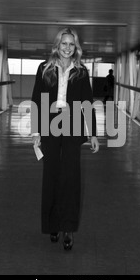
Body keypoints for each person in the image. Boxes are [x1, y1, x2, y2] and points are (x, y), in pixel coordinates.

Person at [31, 28, 99, 251]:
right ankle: (53, 224)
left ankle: (68, 228)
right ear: (57, 45)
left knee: (70, 177)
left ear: (76, 47)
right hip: (49, 124)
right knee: (51, 176)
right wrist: (36, 133)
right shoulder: (44, 68)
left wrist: (93, 133)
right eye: (64, 44)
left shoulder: (81, 71)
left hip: (72, 124)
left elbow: (87, 103)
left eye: (72, 44)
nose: (68, 48)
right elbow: (36, 101)